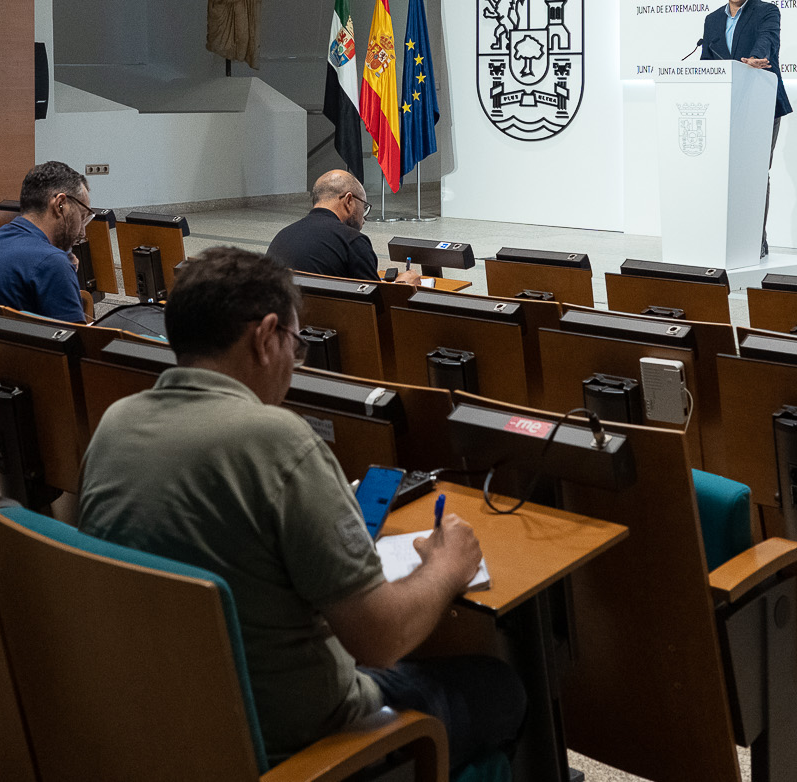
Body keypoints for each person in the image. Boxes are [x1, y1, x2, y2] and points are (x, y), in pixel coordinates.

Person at [80, 247, 523, 767]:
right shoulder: (278, 440)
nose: (297, 361)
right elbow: (378, 639)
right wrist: (448, 567)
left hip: (175, 723)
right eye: (296, 343)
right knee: (499, 688)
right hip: (301, 745)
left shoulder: (116, 424)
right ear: (266, 338)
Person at [698, 0, 793, 257]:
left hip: (760, 104)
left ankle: (755, 240)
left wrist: (755, 58)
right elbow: (706, 61)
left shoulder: (766, 11)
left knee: (754, 173)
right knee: (723, 174)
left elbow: (768, 41)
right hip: (723, 107)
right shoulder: (712, 20)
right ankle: (723, 236)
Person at [0, 160, 90, 324]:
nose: (82, 231)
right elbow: (77, 346)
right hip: (29, 350)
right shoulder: (52, 262)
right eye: (82, 217)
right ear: (60, 204)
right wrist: (61, 271)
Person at [265, 170, 419, 285]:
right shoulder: (352, 241)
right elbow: (377, 308)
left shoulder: (281, 237)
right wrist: (402, 285)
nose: (364, 217)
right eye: (364, 206)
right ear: (349, 200)